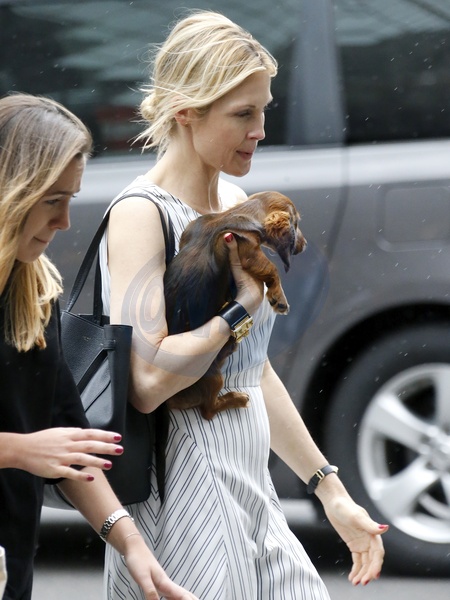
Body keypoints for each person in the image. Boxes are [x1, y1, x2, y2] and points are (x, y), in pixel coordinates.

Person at [100, 10, 389, 599]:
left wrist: (330, 490)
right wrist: (239, 310)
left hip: (251, 484)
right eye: (242, 114)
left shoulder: (235, 201)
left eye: (263, 110)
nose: (259, 129)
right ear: (186, 110)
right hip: (188, 490)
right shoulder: (140, 214)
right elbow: (148, 383)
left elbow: (252, 370)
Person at [0, 93, 199, 600]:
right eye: (52, 201)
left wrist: (131, 542)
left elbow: (70, 445)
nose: (65, 221)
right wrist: (19, 450)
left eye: (71, 199)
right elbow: (45, 449)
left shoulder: (34, 295)